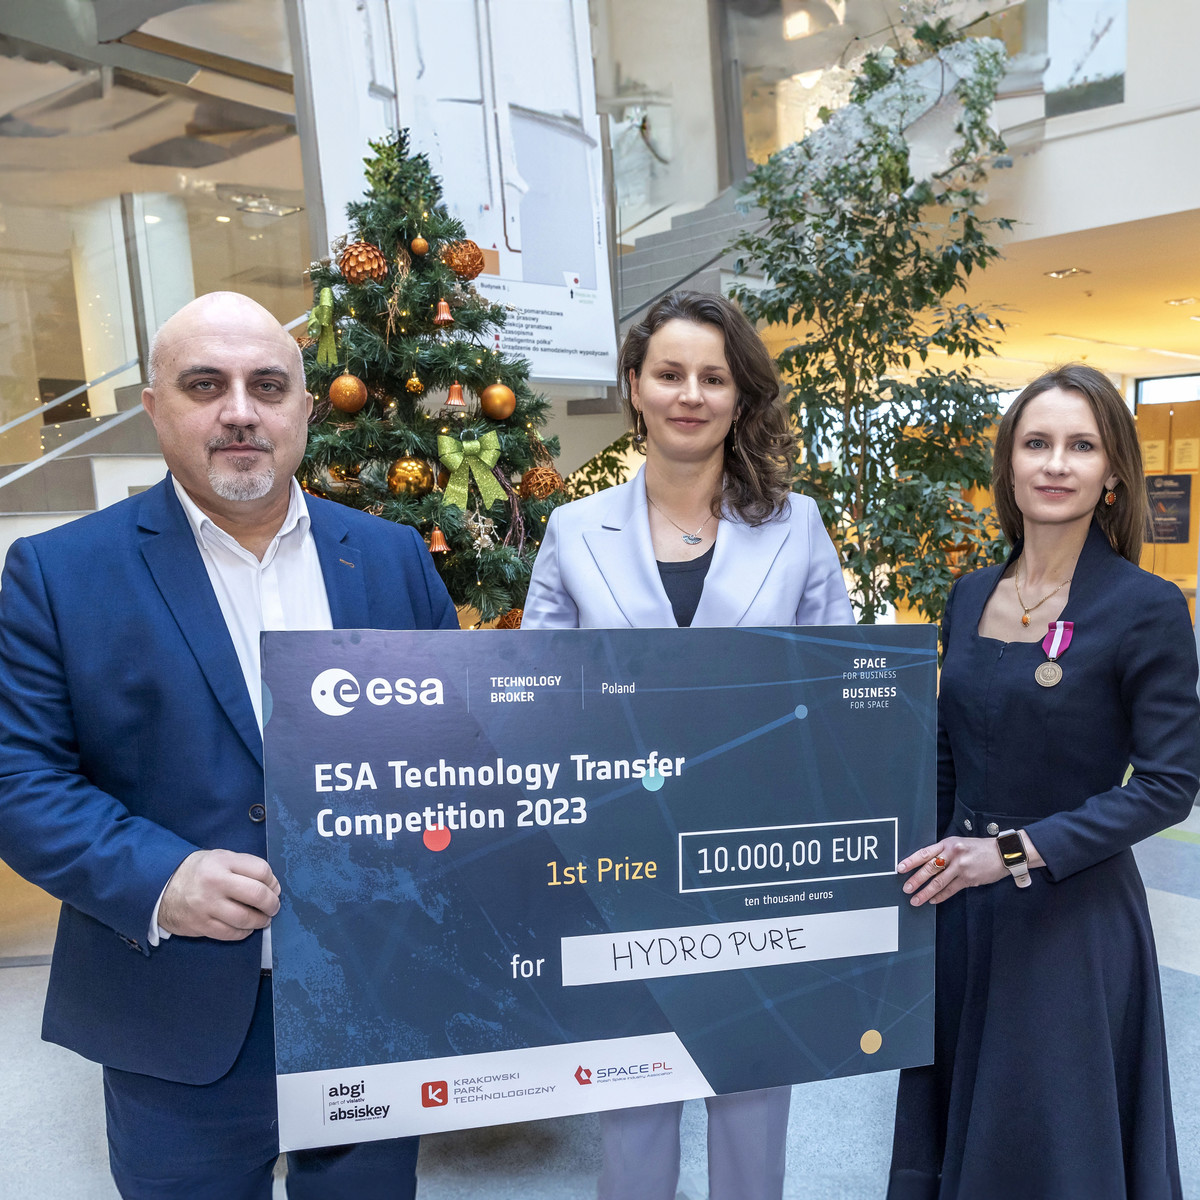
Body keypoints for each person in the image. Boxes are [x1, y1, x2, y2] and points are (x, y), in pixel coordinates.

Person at [0, 292, 459, 1200]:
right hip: (178, 1013)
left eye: (268, 386)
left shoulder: (393, 556)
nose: (241, 412)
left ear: (305, 409)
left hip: (374, 996)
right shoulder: (59, 573)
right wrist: (161, 878)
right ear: (154, 406)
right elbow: (20, 780)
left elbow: (457, 748)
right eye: (205, 385)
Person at [523, 289, 853, 1200]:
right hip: (617, 858)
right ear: (635, 386)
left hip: (756, 859)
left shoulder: (798, 525)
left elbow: (840, 698)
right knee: (631, 1112)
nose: (691, 395)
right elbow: (536, 700)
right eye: (670, 374)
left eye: (714, 377)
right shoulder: (573, 528)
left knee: (752, 1104)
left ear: (740, 397)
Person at [888, 364, 1200, 1200]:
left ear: (1113, 472)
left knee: (1049, 1143)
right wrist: (924, 855)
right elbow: (948, 746)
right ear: (1009, 464)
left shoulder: (1147, 607)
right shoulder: (968, 595)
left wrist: (1012, 853)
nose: (1056, 463)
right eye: (1037, 443)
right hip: (959, 908)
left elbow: (1168, 784)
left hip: (1071, 919)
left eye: (1081, 446)